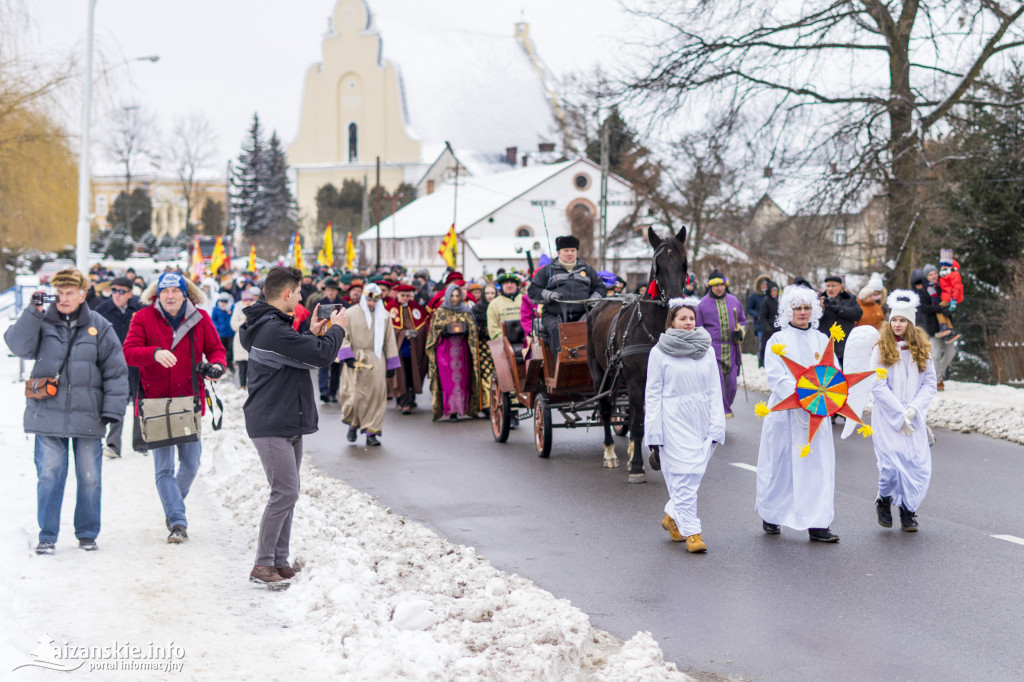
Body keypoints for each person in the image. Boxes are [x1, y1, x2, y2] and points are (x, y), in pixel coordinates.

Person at [4, 269, 128, 554]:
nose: (64, 298)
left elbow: (116, 371)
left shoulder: (100, 325)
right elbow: (16, 345)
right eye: (58, 292)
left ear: (83, 294)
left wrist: (112, 411)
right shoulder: (41, 321)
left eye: (70, 292)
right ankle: (47, 535)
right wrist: (32, 312)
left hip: (88, 415)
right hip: (46, 412)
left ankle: (87, 533)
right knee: (49, 474)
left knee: (89, 476)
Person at [239, 266, 349, 587]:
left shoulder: (273, 327)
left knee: (289, 493)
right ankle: (262, 565)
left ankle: (279, 561)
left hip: (285, 418)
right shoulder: (272, 329)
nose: (301, 297)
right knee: (284, 492)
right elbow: (320, 357)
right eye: (299, 292)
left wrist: (311, 333)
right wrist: (336, 329)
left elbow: (295, 355)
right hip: (271, 421)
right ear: (286, 294)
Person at [123, 272, 226, 544]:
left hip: (188, 401)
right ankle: (177, 521)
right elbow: (129, 351)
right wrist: (154, 353)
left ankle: (172, 506)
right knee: (164, 469)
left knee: (191, 464)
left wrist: (217, 367)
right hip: (155, 402)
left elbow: (216, 350)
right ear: (157, 295)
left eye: (175, 291)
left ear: (185, 294)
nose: (170, 296)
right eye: (164, 291)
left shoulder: (200, 318)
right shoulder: (143, 318)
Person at [756, 284, 840, 543]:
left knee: (816, 469)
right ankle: (772, 514)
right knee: (781, 467)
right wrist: (804, 396)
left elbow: (834, 373)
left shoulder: (821, 339)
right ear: (788, 311)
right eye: (797, 308)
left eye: (806, 308)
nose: (802, 313)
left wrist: (825, 398)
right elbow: (776, 376)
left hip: (816, 416)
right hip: (787, 413)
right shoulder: (777, 340)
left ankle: (818, 523)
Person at [644, 297, 726, 553]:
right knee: (682, 475)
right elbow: (653, 393)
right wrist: (654, 431)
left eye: (691, 318)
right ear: (672, 322)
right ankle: (693, 533)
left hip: (701, 418)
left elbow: (714, 388)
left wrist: (717, 423)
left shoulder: (707, 349)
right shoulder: (659, 352)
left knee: (694, 474)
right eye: (683, 318)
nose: (689, 322)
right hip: (673, 418)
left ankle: (672, 516)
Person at [869, 290, 937, 533]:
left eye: (902, 320)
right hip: (888, 417)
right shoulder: (881, 348)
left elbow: (930, 383)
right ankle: (884, 499)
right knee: (890, 465)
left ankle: (908, 510)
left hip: (914, 417)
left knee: (915, 465)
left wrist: (914, 409)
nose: (897, 324)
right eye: (894, 320)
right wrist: (899, 413)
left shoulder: (922, 349)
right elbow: (877, 384)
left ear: (910, 323)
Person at [338, 283, 400, 446]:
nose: (371, 304)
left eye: (375, 301)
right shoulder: (350, 314)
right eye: (369, 300)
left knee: (376, 397)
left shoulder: (385, 316)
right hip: (356, 359)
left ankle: (371, 432)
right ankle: (353, 425)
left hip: (377, 360)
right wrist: (347, 355)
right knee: (353, 396)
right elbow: (343, 336)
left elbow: (389, 340)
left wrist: (391, 365)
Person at [93, 275, 144, 458]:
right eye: (114, 290)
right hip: (113, 363)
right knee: (117, 402)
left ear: (130, 294)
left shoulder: (140, 308)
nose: (117, 294)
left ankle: (141, 444)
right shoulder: (102, 310)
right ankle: (113, 445)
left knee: (140, 402)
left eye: (122, 291)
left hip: (137, 362)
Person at [527, 236, 605, 353]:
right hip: (553, 315)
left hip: (583, 314)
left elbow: (601, 288)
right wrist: (548, 295)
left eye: (573, 250)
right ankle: (560, 362)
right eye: (566, 251)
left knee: (593, 327)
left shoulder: (588, 270)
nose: (570, 254)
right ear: (559, 252)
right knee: (557, 329)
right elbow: (533, 290)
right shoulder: (546, 271)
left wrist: (595, 298)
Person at [694, 270, 747, 418]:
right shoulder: (702, 305)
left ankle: (724, 409)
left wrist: (740, 331)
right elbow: (699, 327)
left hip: (731, 348)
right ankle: (719, 413)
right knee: (716, 383)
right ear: (710, 287)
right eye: (716, 285)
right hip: (712, 349)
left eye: (722, 285)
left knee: (732, 385)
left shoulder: (734, 301)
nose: (719, 288)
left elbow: (743, 321)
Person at [426, 284, 481, 421]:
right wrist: (442, 333)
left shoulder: (466, 311)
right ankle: (451, 411)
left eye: (457, 295)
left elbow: (473, 332)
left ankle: (463, 408)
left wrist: (467, 331)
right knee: (448, 382)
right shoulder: (440, 312)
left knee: (462, 380)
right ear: (448, 296)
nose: (455, 298)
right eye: (452, 295)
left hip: (462, 351)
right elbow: (432, 334)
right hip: (444, 351)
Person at [385, 283, 429, 414]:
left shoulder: (417, 308)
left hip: (413, 350)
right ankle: (403, 401)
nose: (405, 298)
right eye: (402, 295)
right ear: (397, 295)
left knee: (412, 374)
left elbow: (422, 327)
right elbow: (387, 329)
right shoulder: (390, 308)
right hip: (398, 349)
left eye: (408, 295)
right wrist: (403, 333)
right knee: (400, 376)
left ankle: (409, 399)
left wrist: (416, 333)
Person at [913, 266, 956, 391]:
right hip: (933, 328)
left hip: (947, 326)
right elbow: (924, 308)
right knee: (936, 355)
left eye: (935, 273)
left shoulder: (943, 287)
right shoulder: (923, 291)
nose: (933, 276)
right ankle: (938, 380)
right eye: (930, 274)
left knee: (950, 353)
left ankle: (938, 374)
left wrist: (949, 310)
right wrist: (939, 308)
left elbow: (949, 301)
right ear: (926, 276)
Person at [312, 279, 346, 402]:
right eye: (328, 290)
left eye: (333, 290)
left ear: (337, 291)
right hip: (322, 337)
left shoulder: (343, 305)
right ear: (325, 291)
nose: (330, 292)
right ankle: (324, 391)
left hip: (337, 337)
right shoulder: (318, 304)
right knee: (323, 364)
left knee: (336, 365)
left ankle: (333, 391)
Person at [818, 274, 863, 365]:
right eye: (828, 286)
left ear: (840, 287)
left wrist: (837, 308)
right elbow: (811, 321)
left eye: (833, 286)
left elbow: (857, 314)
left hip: (845, 346)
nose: (830, 289)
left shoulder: (849, 299)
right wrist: (820, 310)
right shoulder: (819, 299)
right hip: (825, 346)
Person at [471, 282, 497, 412]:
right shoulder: (477, 309)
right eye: (487, 293)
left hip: (498, 345)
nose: (490, 296)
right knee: (486, 374)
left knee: (499, 374)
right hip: (484, 346)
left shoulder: (498, 306)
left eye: (492, 293)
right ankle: (487, 404)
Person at [230, 287, 259, 390]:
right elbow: (233, 325)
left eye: (250, 300)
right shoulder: (237, 309)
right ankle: (242, 386)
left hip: (254, 340)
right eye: (245, 300)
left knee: (253, 366)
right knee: (242, 366)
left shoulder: (257, 309)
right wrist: (244, 321)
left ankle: (253, 386)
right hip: (240, 341)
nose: (248, 302)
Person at [488, 273, 524, 341]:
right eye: (506, 283)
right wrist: (506, 338)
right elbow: (493, 329)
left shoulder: (525, 300)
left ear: (517, 286)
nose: (509, 285)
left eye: (512, 283)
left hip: (525, 341)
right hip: (504, 343)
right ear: (502, 286)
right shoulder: (494, 304)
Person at [937, 250, 964, 341]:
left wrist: (954, 300)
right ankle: (951, 330)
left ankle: (943, 326)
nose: (943, 266)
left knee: (939, 309)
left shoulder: (953, 274)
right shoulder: (944, 273)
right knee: (945, 313)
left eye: (945, 264)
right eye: (942, 265)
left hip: (949, 297)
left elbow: (956, 287)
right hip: (946, 296)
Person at [757, 280, 780, 368]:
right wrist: (767, 327)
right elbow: (762, 316)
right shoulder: (766, 301)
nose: (774, 293)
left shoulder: (777, 301)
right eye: (772, 291)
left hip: (777, 328)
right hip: (768, 330)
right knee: (765, 347)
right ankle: (762, 364)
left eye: (775, 291)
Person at [212, 292, 235, 372]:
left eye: (225, 302)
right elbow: (213, 319)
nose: (223, 304)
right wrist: (217, 327)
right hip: (221, 333)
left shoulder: (232, 307)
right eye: (222, 302)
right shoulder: (216, 308)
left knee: (230, 349)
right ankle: (224, 363)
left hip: (230, 332)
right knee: (223, 348)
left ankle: (230, 363)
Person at [746, 274, 770, 353]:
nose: (764, 286)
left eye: (766, 284)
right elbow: (748, 309)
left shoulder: (770, 295)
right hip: (760, 324)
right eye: (762, 284)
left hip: (770, 323)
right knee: (762, 344)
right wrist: (757, 315)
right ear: (759, 285)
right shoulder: (754, 296)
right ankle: (761, 361)